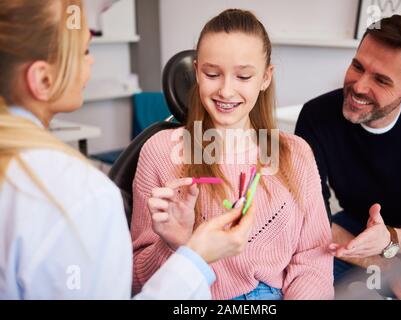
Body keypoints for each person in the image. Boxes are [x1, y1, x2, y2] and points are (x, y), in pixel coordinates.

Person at [0, 0, 254, 300]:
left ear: (266, 77)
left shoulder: (291, 151)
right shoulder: (78, 194)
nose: (91, 62)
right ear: (43, 79)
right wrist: (194, 257)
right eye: (84, 51)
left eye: (243, 75)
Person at [131, 9, 333, 300]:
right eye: (212, 74)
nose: (226, 90)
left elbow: (314, 261)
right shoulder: (160, 151)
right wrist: (177, 245)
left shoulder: (296, 154)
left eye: (243, 76)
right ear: (197, 72)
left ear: (265, 77)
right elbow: (137, 281)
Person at [295, 15, 401, 298]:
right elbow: (311, 215)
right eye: (357, 66)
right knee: (302, 277)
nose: (359, 87)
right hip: (356, 229)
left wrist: (392, 240)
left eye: (381, 79)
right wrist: (383, 263)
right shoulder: (315, 116)